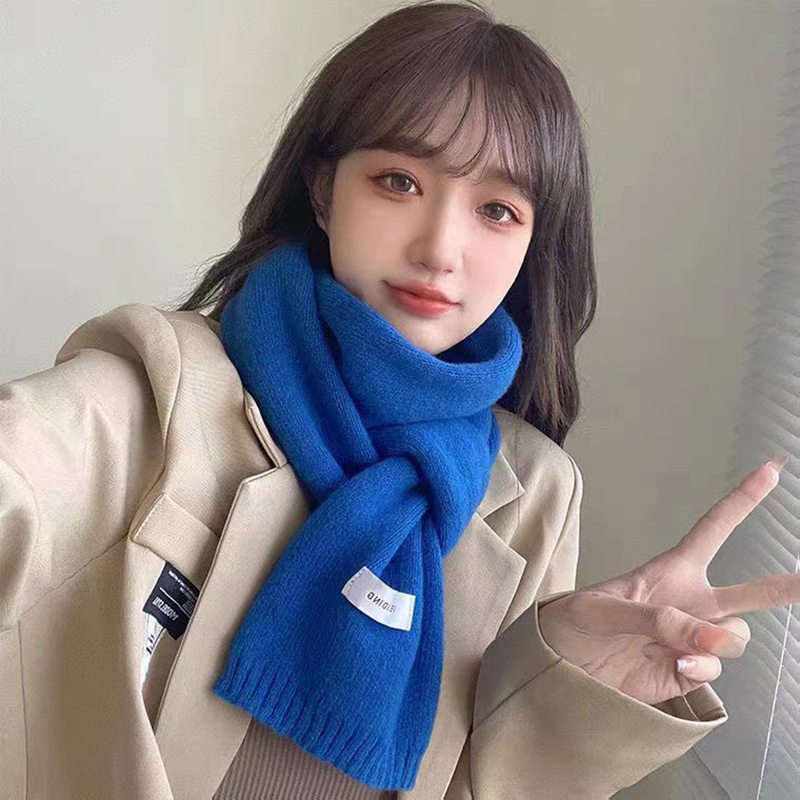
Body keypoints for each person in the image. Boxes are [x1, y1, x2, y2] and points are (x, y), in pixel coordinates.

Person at [2, 2, 798, 799]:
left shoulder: (534, 496)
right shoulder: (150, 397)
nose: (440, 249)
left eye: (497, 210)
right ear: (323, 191)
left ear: (534, 242)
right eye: (398, 181)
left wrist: (571, 686)